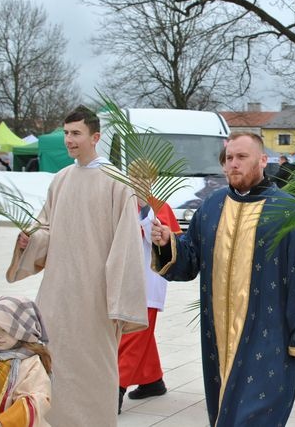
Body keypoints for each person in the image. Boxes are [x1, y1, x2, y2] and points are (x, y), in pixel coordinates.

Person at [150, 132, 295, 426]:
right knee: (224, 412)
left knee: (255, 415)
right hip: (216, 334)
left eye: (241, 157)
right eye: (229, 158)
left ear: (263, 160)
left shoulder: (286, 210)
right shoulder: (211, 207)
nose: (233, 164)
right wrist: (169, 242)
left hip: (269, 336)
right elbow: (191, 259)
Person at [5, 105, 148, 426]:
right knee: (55, 365)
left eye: (76, 134)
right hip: (56, 296)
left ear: (95, 137)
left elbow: (126, 246)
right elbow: (47, 229)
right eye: (67, 133)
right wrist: (30, 242)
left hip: (95, 298)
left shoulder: (117, 182)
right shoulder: (62, 179)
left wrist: (119, 303)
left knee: (94, 368)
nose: (69, 140)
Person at [118, 163, 183, 414]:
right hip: (122, 279)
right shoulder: (120, 202)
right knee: (137, 334)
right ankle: (151, 379)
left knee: (134, 335)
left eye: (145, 176)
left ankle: (116, 388)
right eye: (135, 176)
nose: (139, 181)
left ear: (153, 179)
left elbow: (171, 240)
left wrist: (153, 226)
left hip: (148, 281)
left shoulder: (159, 207)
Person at [0, 296, 51, 427]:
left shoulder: (30, 363)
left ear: (22, 330)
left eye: (5, 330)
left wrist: (6, 421)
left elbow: (37, 398)